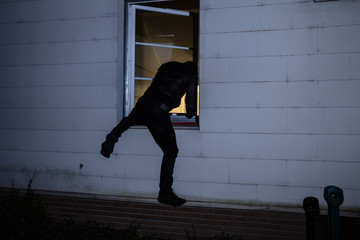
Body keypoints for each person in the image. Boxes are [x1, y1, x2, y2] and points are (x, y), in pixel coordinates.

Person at [100, 61, 198, 207]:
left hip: (144, 102)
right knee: (171, 151)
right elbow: (190, 108)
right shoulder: (191, 75)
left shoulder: (167, 65)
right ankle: (165, 193)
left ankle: (113, 136)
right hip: (159, 111)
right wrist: (190, 109)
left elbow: (156, 84)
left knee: (130, 120)